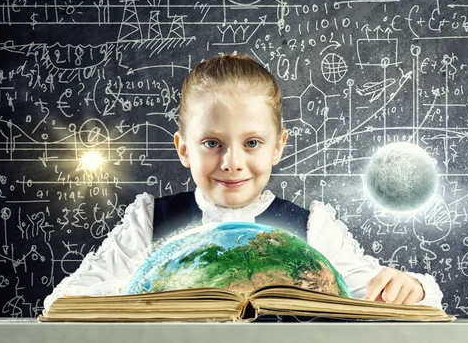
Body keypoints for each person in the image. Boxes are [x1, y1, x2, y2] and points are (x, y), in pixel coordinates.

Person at [43, 54, 443, 312]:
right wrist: (157, 287)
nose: (232, 163)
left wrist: (413, 289)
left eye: (252, 143)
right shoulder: (149, 222)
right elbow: (61, 302)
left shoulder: (313, 229)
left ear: (278, 146)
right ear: (184, 149)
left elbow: (379, 295)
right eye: (212, 143)